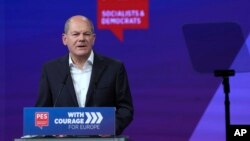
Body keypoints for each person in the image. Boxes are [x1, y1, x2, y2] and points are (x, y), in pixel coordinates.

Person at [35, 15, 134, 135]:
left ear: (93, 39)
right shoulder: (50, 70)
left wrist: (112, 127)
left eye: (86, 34)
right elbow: (42, 112)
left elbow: (125, 109)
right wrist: (51, 131)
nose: (81, 38)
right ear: (65, 39)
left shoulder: (114, 68)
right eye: (75, 34)